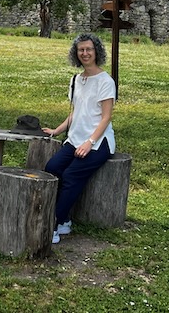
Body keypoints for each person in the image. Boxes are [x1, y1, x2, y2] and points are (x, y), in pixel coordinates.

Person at [43, 32, 116, 245]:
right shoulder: (76, 80)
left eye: (89, 49)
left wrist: (90, 142)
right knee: (52, 168)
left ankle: (54, 224)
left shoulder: (105, 81)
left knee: (71, 175)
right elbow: (76, 112)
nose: (85, 53)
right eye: (81, 50)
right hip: (75, 139)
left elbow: (106, 117)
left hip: (98, 143)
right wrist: (57, 130)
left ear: (97, 52)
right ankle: (65, 219)